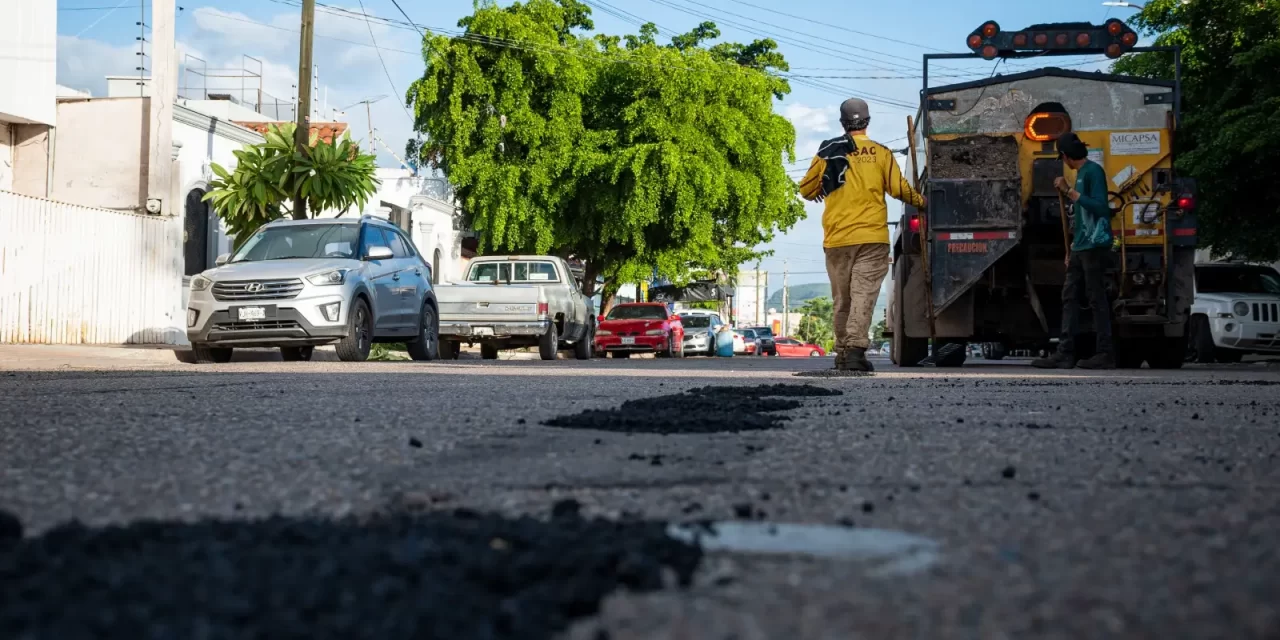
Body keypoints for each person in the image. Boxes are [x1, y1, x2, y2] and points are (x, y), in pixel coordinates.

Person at [798, 97, 926, 372]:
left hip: (837, 240)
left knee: (843, 299)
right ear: (867, 122)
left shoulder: (829, 151)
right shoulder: (881, 153)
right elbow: (898, 189)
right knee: (863, 296)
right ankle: (855, 351)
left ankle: (843, 354)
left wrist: (823, 184)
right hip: (871, 238)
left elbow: (806, 190)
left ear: (843, 123)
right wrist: (923, 202)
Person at [1033, 132, 1116, 370]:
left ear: (1066, 157)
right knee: (1069, 297)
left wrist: (1069, 191)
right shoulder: (1082, 174)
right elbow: (1082, 218)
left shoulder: (1093, 173)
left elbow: (1101, 207)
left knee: (1096, 299)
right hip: (1082, 246)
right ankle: (1065, 353)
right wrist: (1071, 248)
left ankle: (1105, 353)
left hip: (1095, 246)